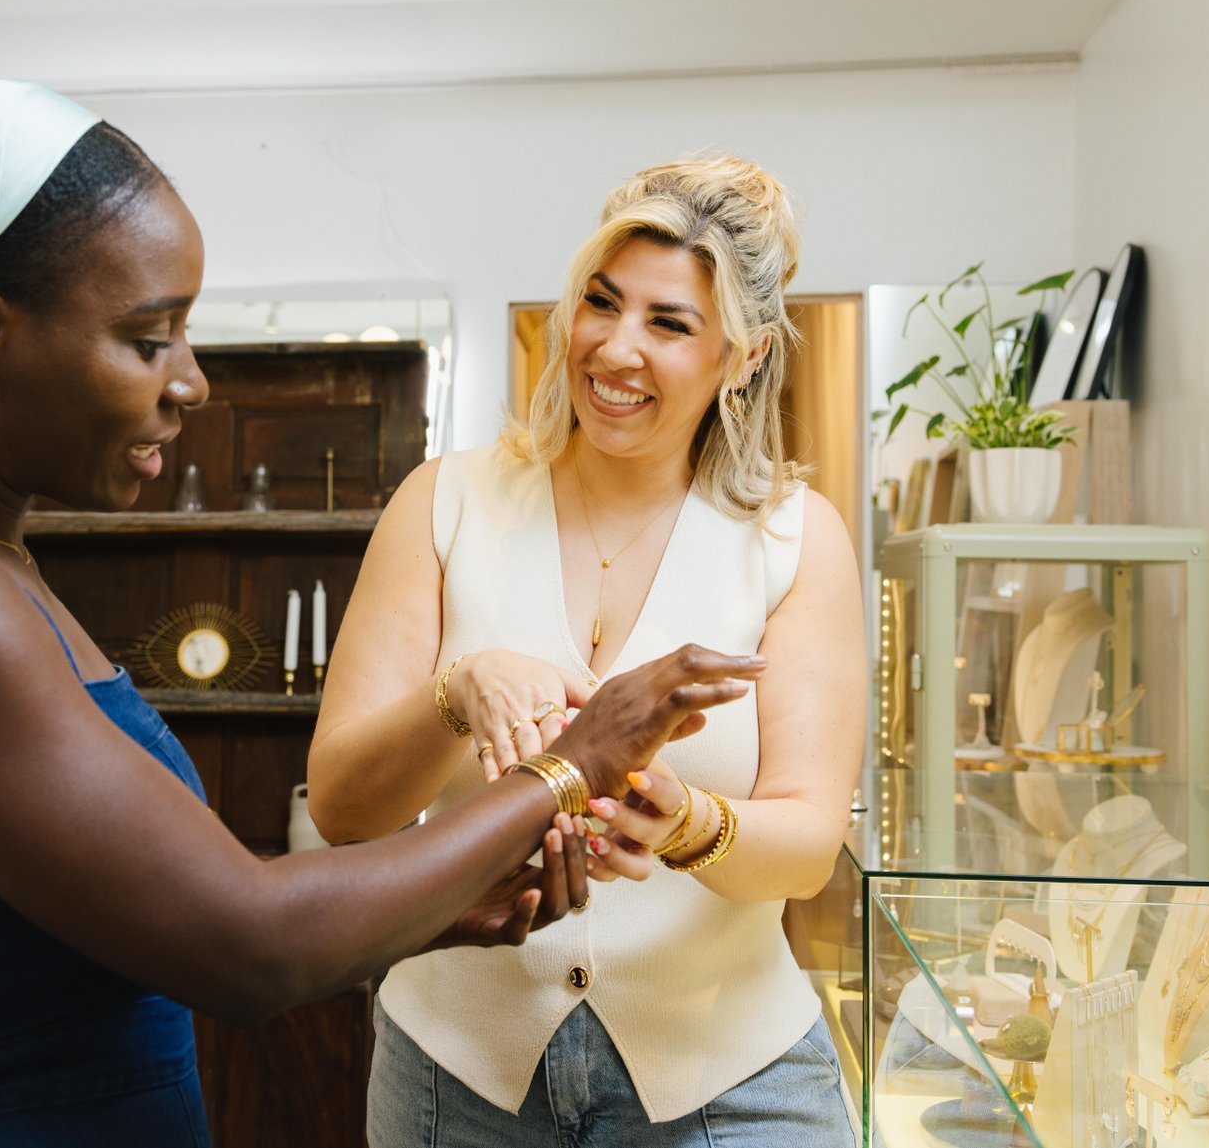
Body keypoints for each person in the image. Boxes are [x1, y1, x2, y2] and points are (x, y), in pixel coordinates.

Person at [0, 81, 764, 1147]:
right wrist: (573, 763)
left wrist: (425, 917)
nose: (193, 382)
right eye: (148, 338)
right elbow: (247, 944)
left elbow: (176, 910)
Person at [308, 156, 867, 1145]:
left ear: (745, 356)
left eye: (669, 324)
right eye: (599, 305)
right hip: (455, 1072)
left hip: (730, 1084)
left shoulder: (795, 538)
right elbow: (348, 811)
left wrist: (688, 824)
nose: (615, 347)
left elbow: (808, 846)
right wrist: (454, 690)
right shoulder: (444, 503)